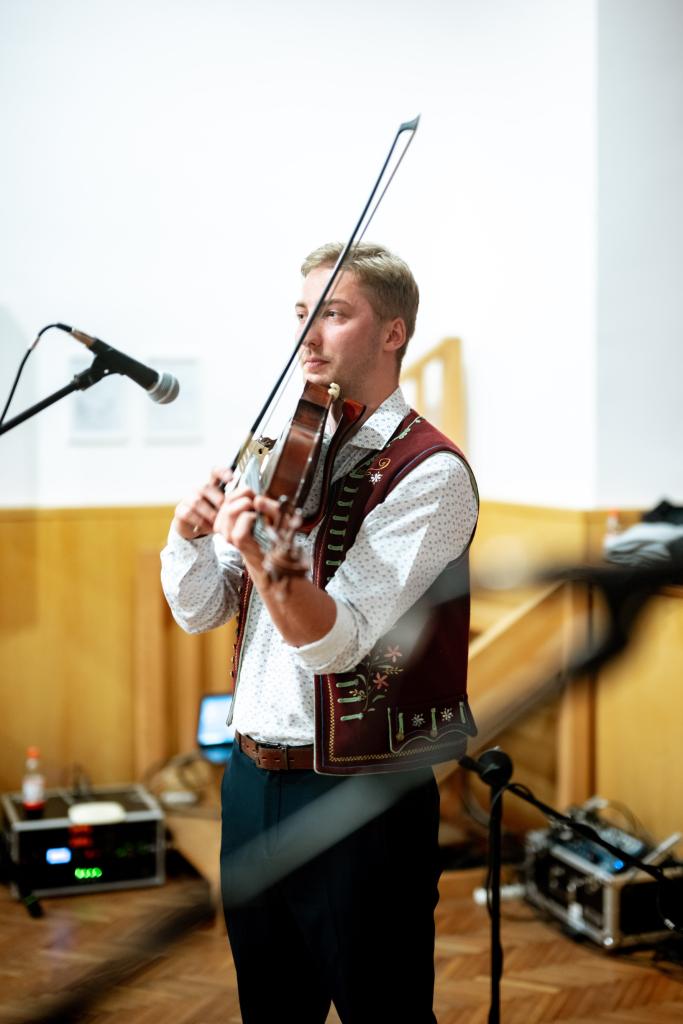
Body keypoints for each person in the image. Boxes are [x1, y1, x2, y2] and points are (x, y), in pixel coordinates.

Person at [161, 242, 479, 1023]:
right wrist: (189, 535)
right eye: (303, 313)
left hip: (358, 796)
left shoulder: (429, 473)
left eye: (333, 314)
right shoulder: (287, 446)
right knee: (271, 1008)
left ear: (392, 333)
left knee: (382, 1009)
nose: (308, 333)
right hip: (250, 779)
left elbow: (340, 645)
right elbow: (202, 609)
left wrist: (260, 554)